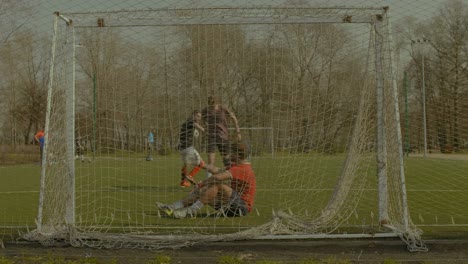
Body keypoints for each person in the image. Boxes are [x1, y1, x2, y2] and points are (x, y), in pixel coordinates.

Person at [157, 143, 256, 219]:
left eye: (232, 152)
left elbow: (217, 177)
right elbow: (216, 170)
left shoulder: (243, 168)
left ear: (238, 155)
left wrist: (202, 183)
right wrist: (200, 164)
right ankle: (172, 207)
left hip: (241, 208)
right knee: (203, 190)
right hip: (228, 205)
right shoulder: (236, 166)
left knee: (217, 185)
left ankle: (190, 211)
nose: (230, 154)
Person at [201, 96, 241, 175]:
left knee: (227, 161)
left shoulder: (223, 108)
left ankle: (230, 178)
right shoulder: (205, 111)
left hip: (223, 136)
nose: (213, 106)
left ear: (217, 103)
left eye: (214, 105)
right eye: (211, 105)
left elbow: (234, 118)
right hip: (211, 136)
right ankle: (210, 181)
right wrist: (206, 127)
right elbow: (203, 119)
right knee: (210, 162)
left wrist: (238, 132)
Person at [178, 110, 207, 187]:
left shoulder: (186, 122)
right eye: (197, 116)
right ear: (193, 115)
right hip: (188, 148)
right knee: (202, 164)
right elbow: (199, 127)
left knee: (186, 165)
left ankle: (183, 182)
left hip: (182, 148)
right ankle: (190, 175)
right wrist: (205, 131)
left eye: (200, 117)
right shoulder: (191, 121)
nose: (199, 118)